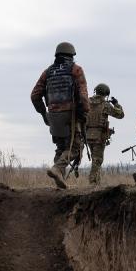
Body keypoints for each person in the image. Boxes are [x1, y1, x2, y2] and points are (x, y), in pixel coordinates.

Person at [30, 41, 90, 189]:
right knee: (75, 149)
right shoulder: (76, 70)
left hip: (53, 115)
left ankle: (60, 180)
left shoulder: (47, 72)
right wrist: (85, 112)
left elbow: (35, 95)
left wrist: (44, 114)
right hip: (70, 115)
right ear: (71, 56)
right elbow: (83, 96)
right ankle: (57, 169)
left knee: (61, 147)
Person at [84, 83, 124, 185]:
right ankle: (93, 183)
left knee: (95, 159)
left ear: (96, 91)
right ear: (106, 94)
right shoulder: (105, 105)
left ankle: (97, 183)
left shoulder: (87, 102)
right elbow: (120, 115)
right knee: (97, 160)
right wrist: (116, 104)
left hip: (87, 135)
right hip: (99, 136)